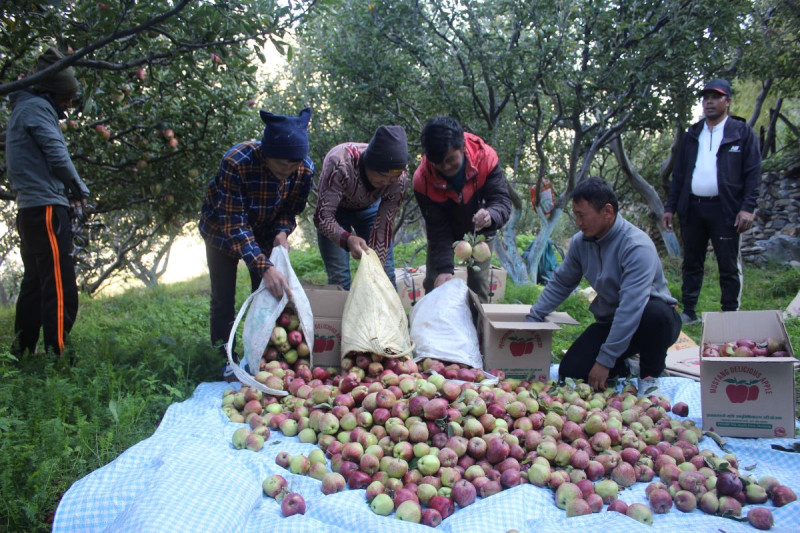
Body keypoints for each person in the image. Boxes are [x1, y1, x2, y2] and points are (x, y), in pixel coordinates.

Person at [526, 178, 681, 394]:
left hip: (650, 321)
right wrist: (534, 317)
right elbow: (562, 282)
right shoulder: (581, 242)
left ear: (607, 211)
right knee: (571, 372)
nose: (578, 222)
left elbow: (631, 307)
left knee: (657, 315)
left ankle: (650, 374)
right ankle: (625, 366)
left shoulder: (636, 246)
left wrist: (605, 361)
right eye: (576, 215)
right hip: (614, 321)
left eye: (582, 215)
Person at [199, 108, 314, 380]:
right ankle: (224, 356)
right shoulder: (237, 162)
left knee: (267, 294)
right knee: (223, 296)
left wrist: (282, 232)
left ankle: (263, 354)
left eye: (293, 165)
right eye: (281, 164)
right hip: (221, 231)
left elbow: (289, 210)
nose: (287, 172)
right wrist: (264, 265)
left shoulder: (304, 170)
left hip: (263, 230)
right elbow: (234, 224)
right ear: (266, 154)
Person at [6, 47, 89, 357]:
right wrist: (79, 189)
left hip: (29, 209)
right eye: (66, 99)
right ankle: (59, 353)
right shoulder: (38, 110)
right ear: (52, 92)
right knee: (59, 284)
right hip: (46, 210)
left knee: (35, 281)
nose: (68, 106)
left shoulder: (22, 108)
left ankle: (22, 349)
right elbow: (57, 155)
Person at [663, 79, 762, 324]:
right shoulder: (693, 134)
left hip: (725, 209)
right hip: (693, 208)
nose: (709, 101)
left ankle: (730, 314)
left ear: (727, 101)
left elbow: (753, 172)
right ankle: (689, 311)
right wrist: (670, 207)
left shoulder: (741, 132)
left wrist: (747, 208)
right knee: (691, 262)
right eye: (705, 97)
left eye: (715, 97)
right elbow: (680, 175)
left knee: (728, 264)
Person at [413, 116, 511, 302]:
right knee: (435, 282)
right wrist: (444, 269)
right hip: (447, 232)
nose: (446, 167)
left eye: (451, 160)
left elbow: (501, 200)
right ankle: (433, 329)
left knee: (478, 284)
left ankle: (478, 329)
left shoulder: (485, 159)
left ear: (462, 147)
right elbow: (437, 227)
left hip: (480, 230)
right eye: (439, 164)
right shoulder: (422, 181)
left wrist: (491, 215)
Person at [314, 125, 409, 289]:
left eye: (392, 179)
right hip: (335, 211)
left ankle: (385, 314)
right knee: (340, 277)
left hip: (370, 210)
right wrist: (347, 239)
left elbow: (383, 227)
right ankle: (340, 314)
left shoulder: (399, 180)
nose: (386, 182)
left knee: (384, 273)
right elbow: (322, 216)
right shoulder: (340, 164)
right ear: (368, 164)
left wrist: (376, 268)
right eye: (381, 175)